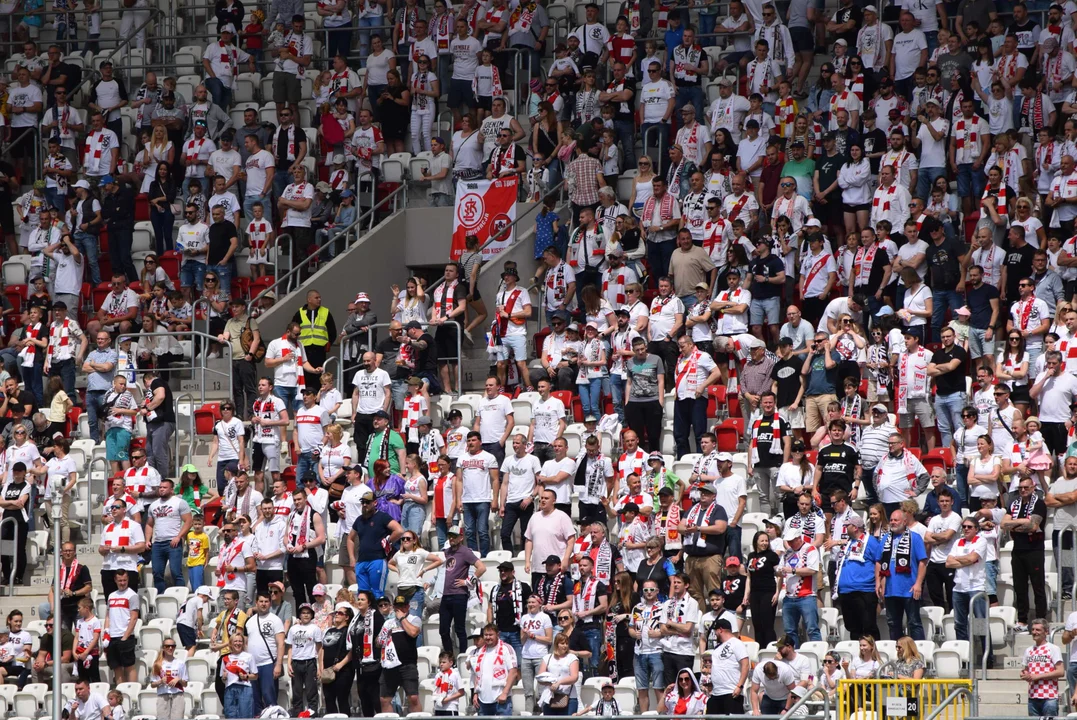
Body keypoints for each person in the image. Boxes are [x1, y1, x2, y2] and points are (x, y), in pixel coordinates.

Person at [869, 508, 928, 641]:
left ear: (905, 521)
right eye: (891, 520)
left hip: (909, 589)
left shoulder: (915, 538)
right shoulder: (885, 539)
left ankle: (918, 655)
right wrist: (878, 583)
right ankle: (898, 654)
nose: (893, 523)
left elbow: (923, 562)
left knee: (914, 623)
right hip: (890, 590)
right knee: (893, 624)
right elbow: (878, 562)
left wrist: (918, 584)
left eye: (896, 520)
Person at [1003, 477, 1048, 632]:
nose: (1023, 490)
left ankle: (1041, 620)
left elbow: (1033, 526)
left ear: (1033, 487)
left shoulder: (1039, 504)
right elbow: (1003, 524)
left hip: (1034, 549)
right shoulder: (1014, 504)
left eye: (1026, 487)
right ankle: (1022, 620)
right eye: (1020, 487)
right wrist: (1022, 522)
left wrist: (1014, 523)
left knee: (1038, 586)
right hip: (1018, 549)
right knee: (1019, 587)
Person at [146, 478, 194, 593]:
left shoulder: (179, 502)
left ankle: (180, 596)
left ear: (171, 490)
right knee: (157, 572)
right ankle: (161, 596)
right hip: (158, 542)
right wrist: (147, 539)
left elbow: (188, 521)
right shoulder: (153, 505)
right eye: (160, 487)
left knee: (175, 571)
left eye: (165, 487)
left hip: (173, 542)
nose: (162, 489)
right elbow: (149, 524)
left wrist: (179, 536)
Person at [1024, 620, 1065, 717]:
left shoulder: (1053, 648)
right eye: (1033, 629)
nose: (1034, 632)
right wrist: (1024, 675)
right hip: (1033, 697)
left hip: (1049, 697)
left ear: (1046, 632)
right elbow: (1026, 670)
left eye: (1038, 630)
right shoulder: (1028, 650)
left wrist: (1037, 676)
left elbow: (1060, 671)